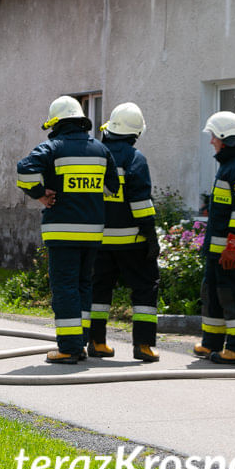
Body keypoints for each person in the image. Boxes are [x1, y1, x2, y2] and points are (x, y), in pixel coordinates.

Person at [17, 96, 119, 364]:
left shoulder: (53, 147)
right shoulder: (100, 150)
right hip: (93, 232)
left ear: (57, 123)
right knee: (84, 285)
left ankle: (69, 348)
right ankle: (80, 343)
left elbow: (24, 170)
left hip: (62, 232)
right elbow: (113, 188)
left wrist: (40, 194)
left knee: (64, 287)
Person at [90, 103, 161, 362]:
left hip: (98, 241)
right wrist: (151, 237)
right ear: (136, 133)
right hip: (132, 241)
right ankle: (143, 346)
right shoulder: (135, 158)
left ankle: (96, 342)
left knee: (98, 291)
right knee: (144, 290)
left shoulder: (96, 156)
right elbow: (141, 202)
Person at [195, 111, 235, 365]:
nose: (211, 141)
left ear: (224, 138)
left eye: (213, 136)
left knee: (233, 297)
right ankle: (211, 343)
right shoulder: (229, 166)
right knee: (212, 294)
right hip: (219, 250)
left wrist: (232, 247)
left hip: (232, 252)